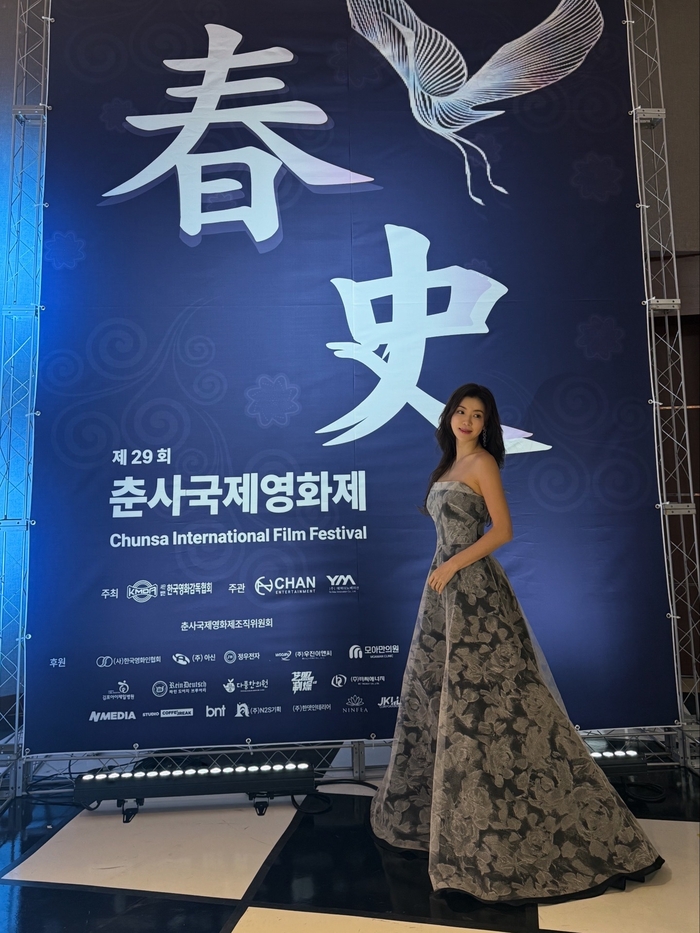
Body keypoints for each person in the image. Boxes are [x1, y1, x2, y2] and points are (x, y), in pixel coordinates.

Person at [370, 383, 663, 904]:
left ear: (487, 425)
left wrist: (454, 565)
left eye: (477, 415)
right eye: (461, 412)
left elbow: (502, 530)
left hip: (474, 592)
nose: (467, 420)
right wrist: (445, 570)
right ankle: (456, 817)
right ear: (449, 416)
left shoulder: (483, 463)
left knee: (499, 703)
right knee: (445, 700)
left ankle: (522, 810)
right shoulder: (447, 466)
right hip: (444, 592)